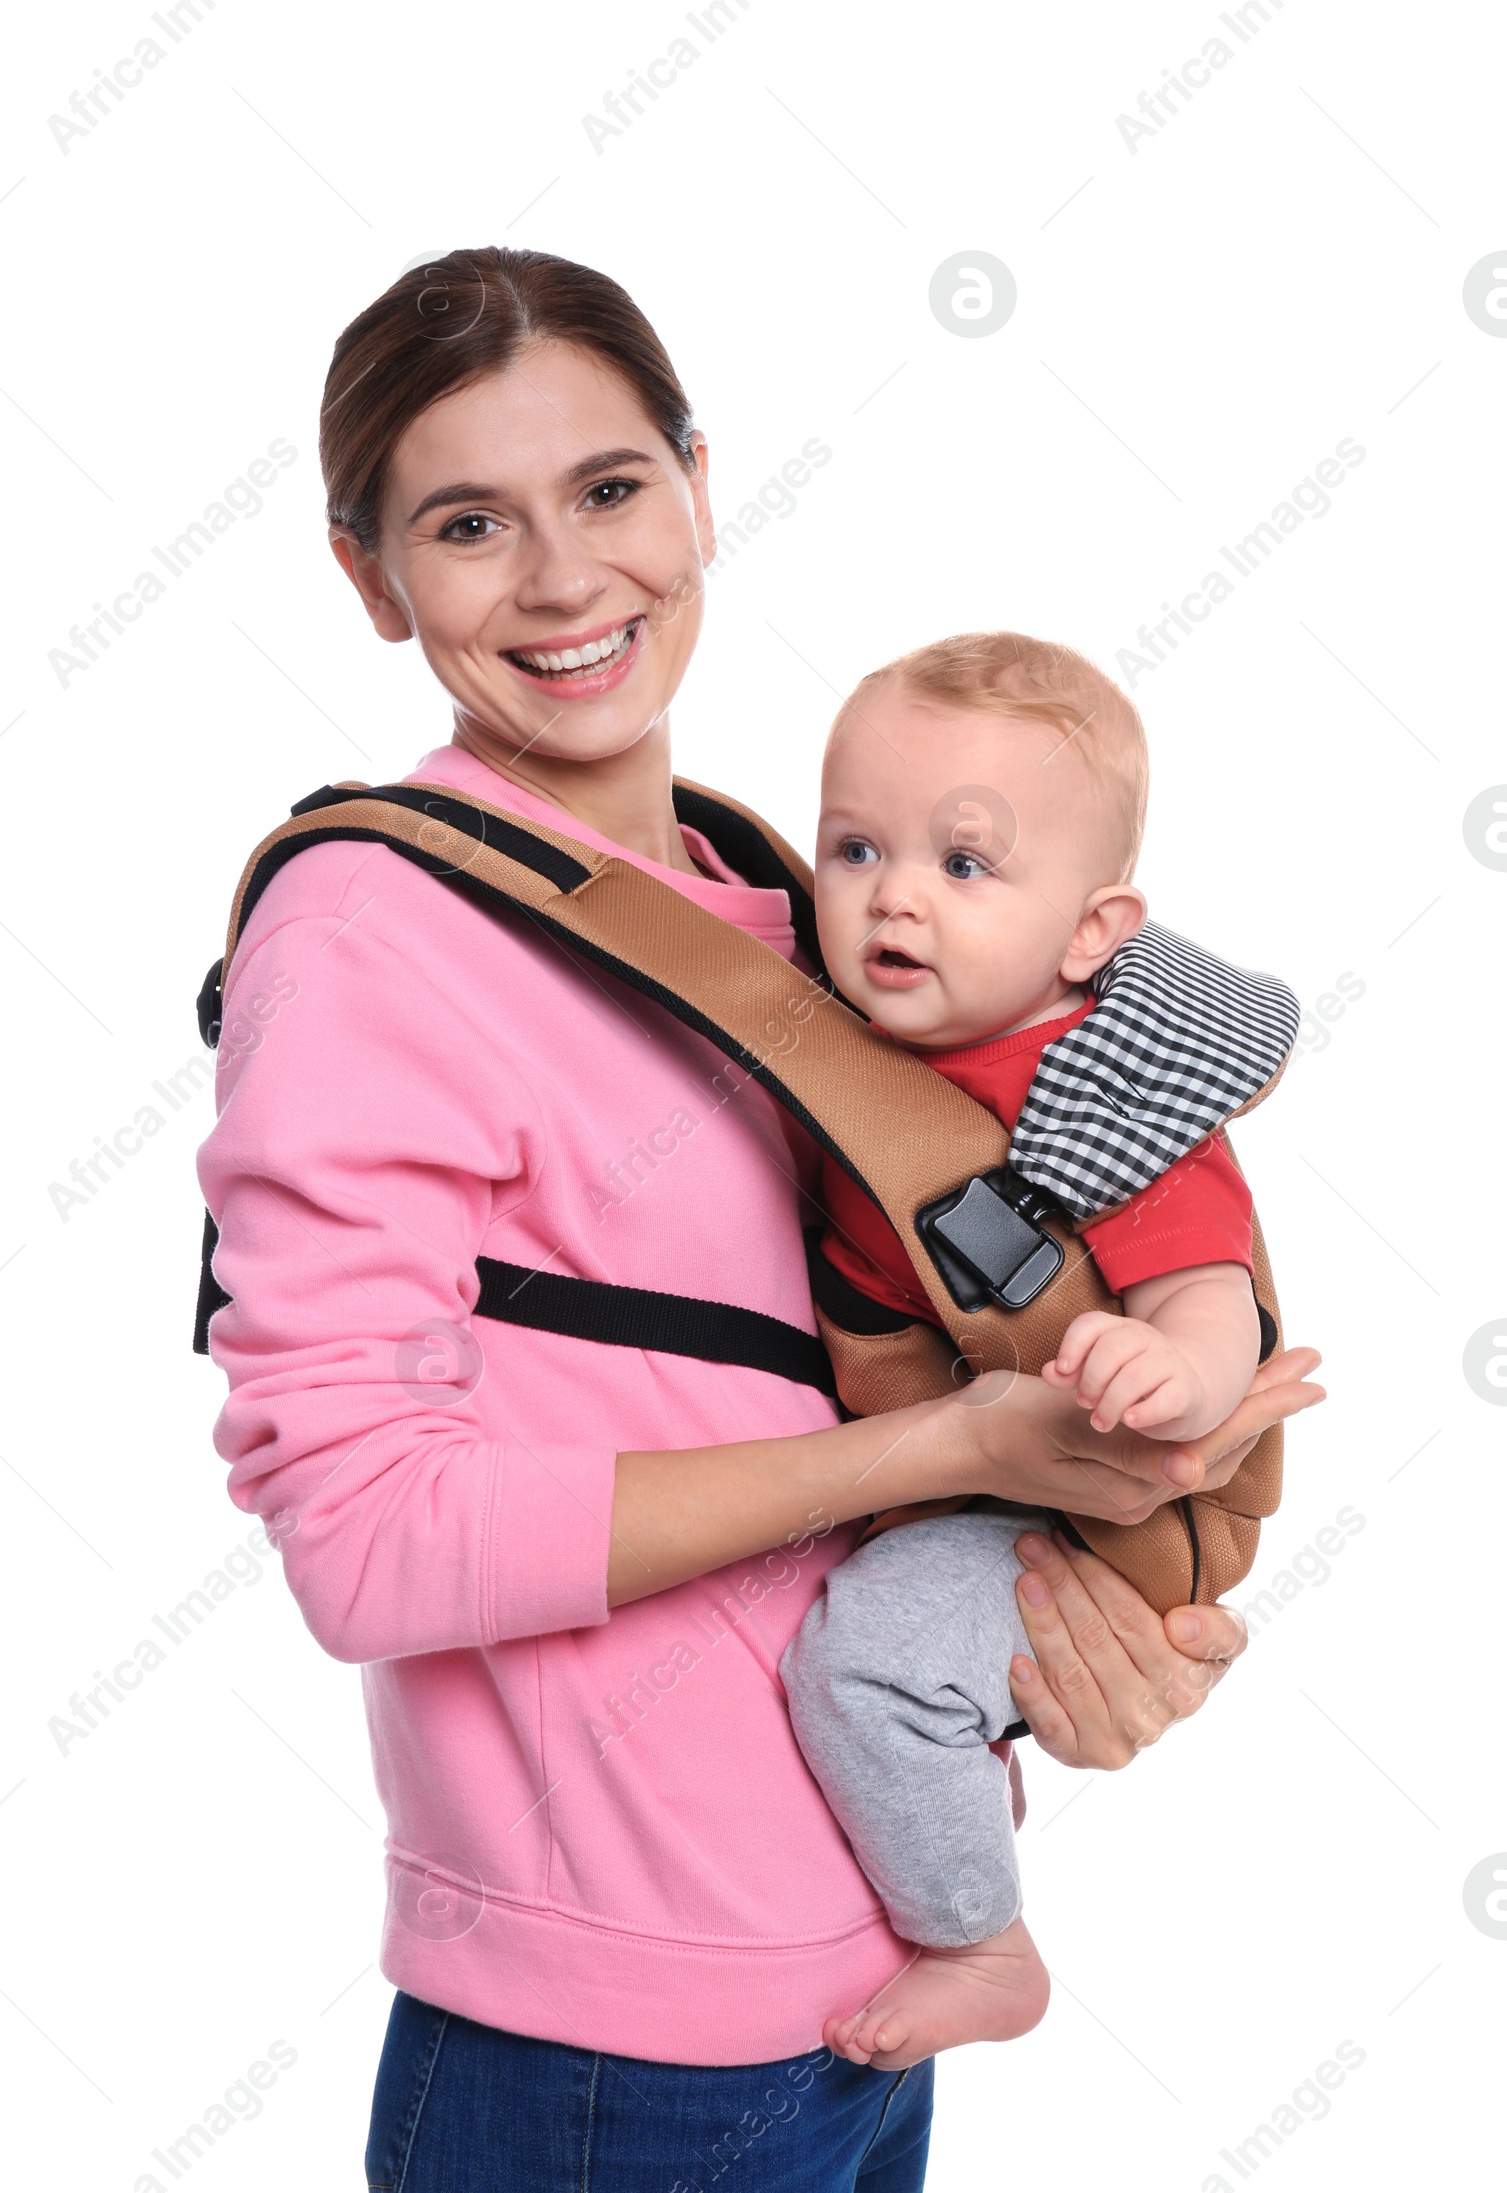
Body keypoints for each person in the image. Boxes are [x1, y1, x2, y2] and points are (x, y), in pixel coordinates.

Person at [195, 247, 1323, 2193]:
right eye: (469, 522)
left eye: (611, 489)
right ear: (371, 576)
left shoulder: (790, 911)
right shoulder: (376, 934)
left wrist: (1074, 1625)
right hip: (598, 2056)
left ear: (701, 490)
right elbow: (367, 1540)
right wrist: (949, 1447)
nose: (563, 580)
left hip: (862, 1988)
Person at [783, 631, 1285, 2071]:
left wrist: (1170, 1371)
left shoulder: (1094, 1089)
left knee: (868, 1663)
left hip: (1058, 1509)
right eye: (856, 847)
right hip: (941, 1464)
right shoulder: (846, 1031)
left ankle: (980, 1939)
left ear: (1090, 933)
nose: (893, 898)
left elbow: (1214, 1289)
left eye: (965, 863)